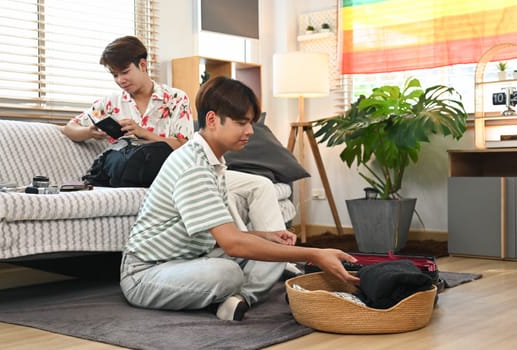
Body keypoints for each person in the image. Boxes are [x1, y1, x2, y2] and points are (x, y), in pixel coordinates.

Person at [120, 76, 360, 321]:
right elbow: (232, 244)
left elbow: (225, 234)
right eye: (241, 123)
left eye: (250, 123)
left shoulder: (213, 162)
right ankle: (235, 293)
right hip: (146, 273)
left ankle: (238, 300)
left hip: (193, 258)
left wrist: (266, 236)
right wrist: (313, 254)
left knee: (278, 248)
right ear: (212, 120)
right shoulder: (192, 166)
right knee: (228, 273)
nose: (250, 131)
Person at [62, 35, 288, 234]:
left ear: (142, 65)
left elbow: (186, 146)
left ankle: (278, 256)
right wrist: (90, 131)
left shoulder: (175, 98)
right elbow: (68, 129)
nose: (120, 80)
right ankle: (257, 255)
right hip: (143, 174)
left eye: (124, 72)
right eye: (114, 75)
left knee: (262, 185)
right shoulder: (111, 102)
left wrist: (144, 133)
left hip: (185, 169)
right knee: (227, 192)